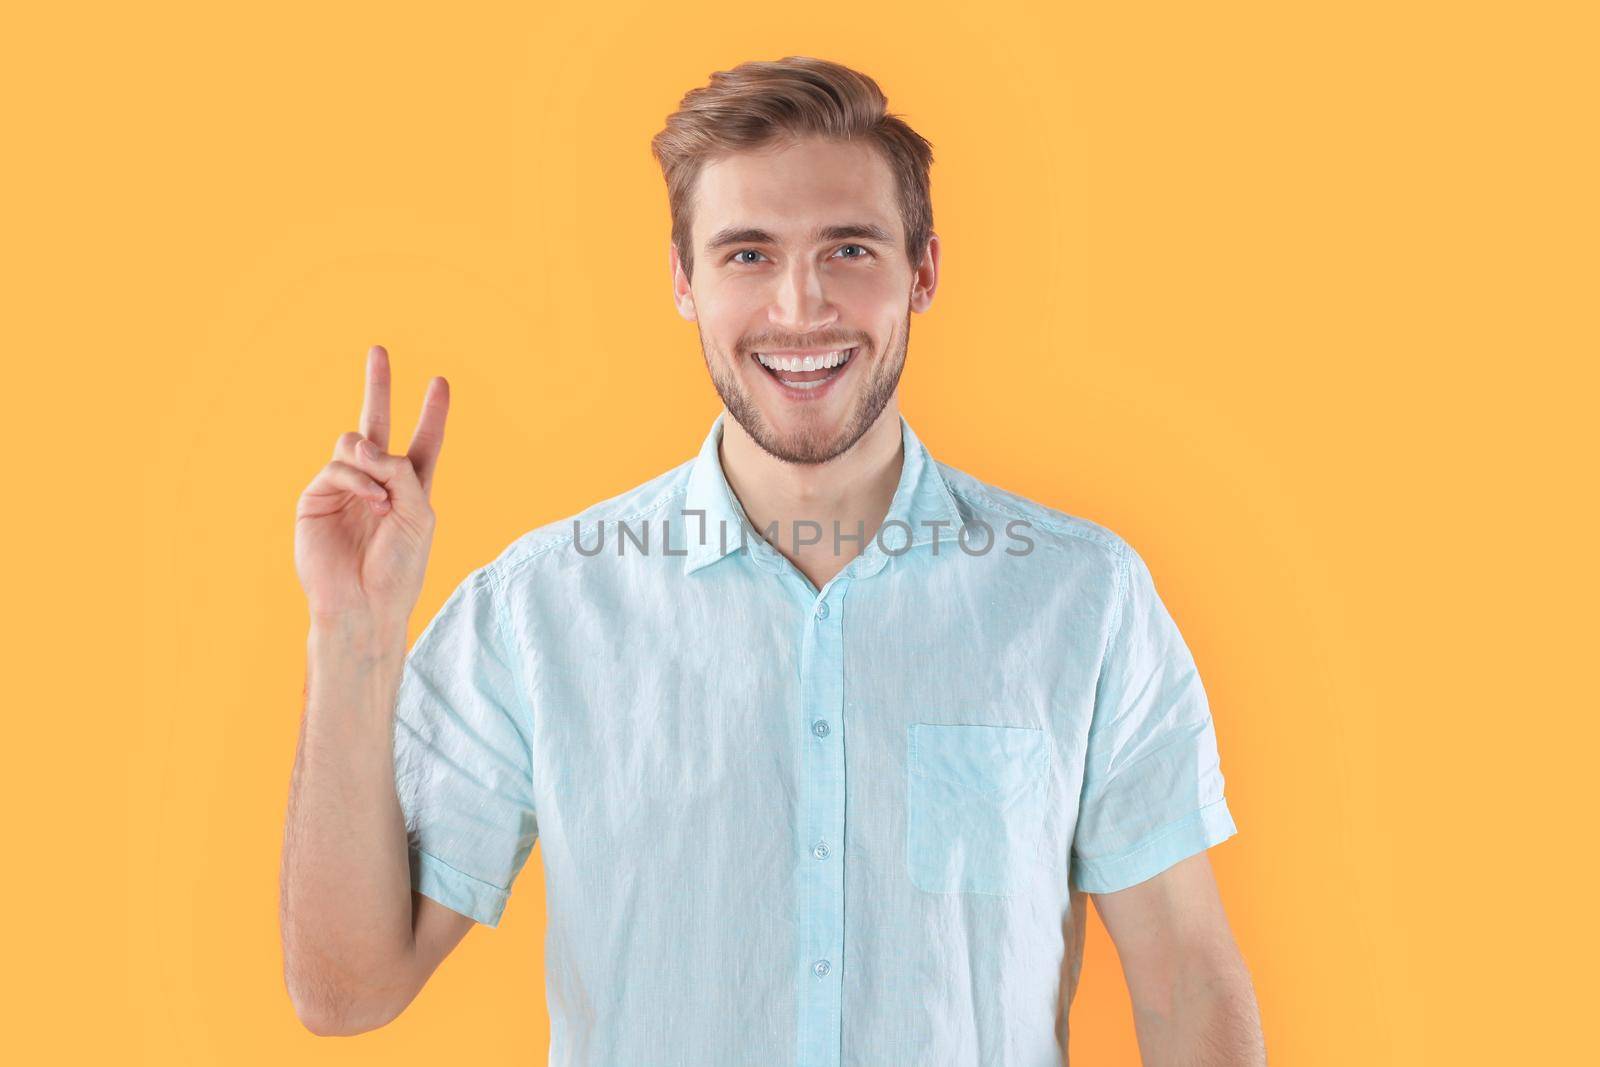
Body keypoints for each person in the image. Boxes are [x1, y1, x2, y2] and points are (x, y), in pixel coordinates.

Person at [280, 55, 1264, 1066]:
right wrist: (350, 636)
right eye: (747, 254)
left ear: (923, 269)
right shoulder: (538, 614)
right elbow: (346, 989)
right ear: (682, 279)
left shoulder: (1079, 599)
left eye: (848, 248)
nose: (801, 307)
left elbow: (1186, 977)